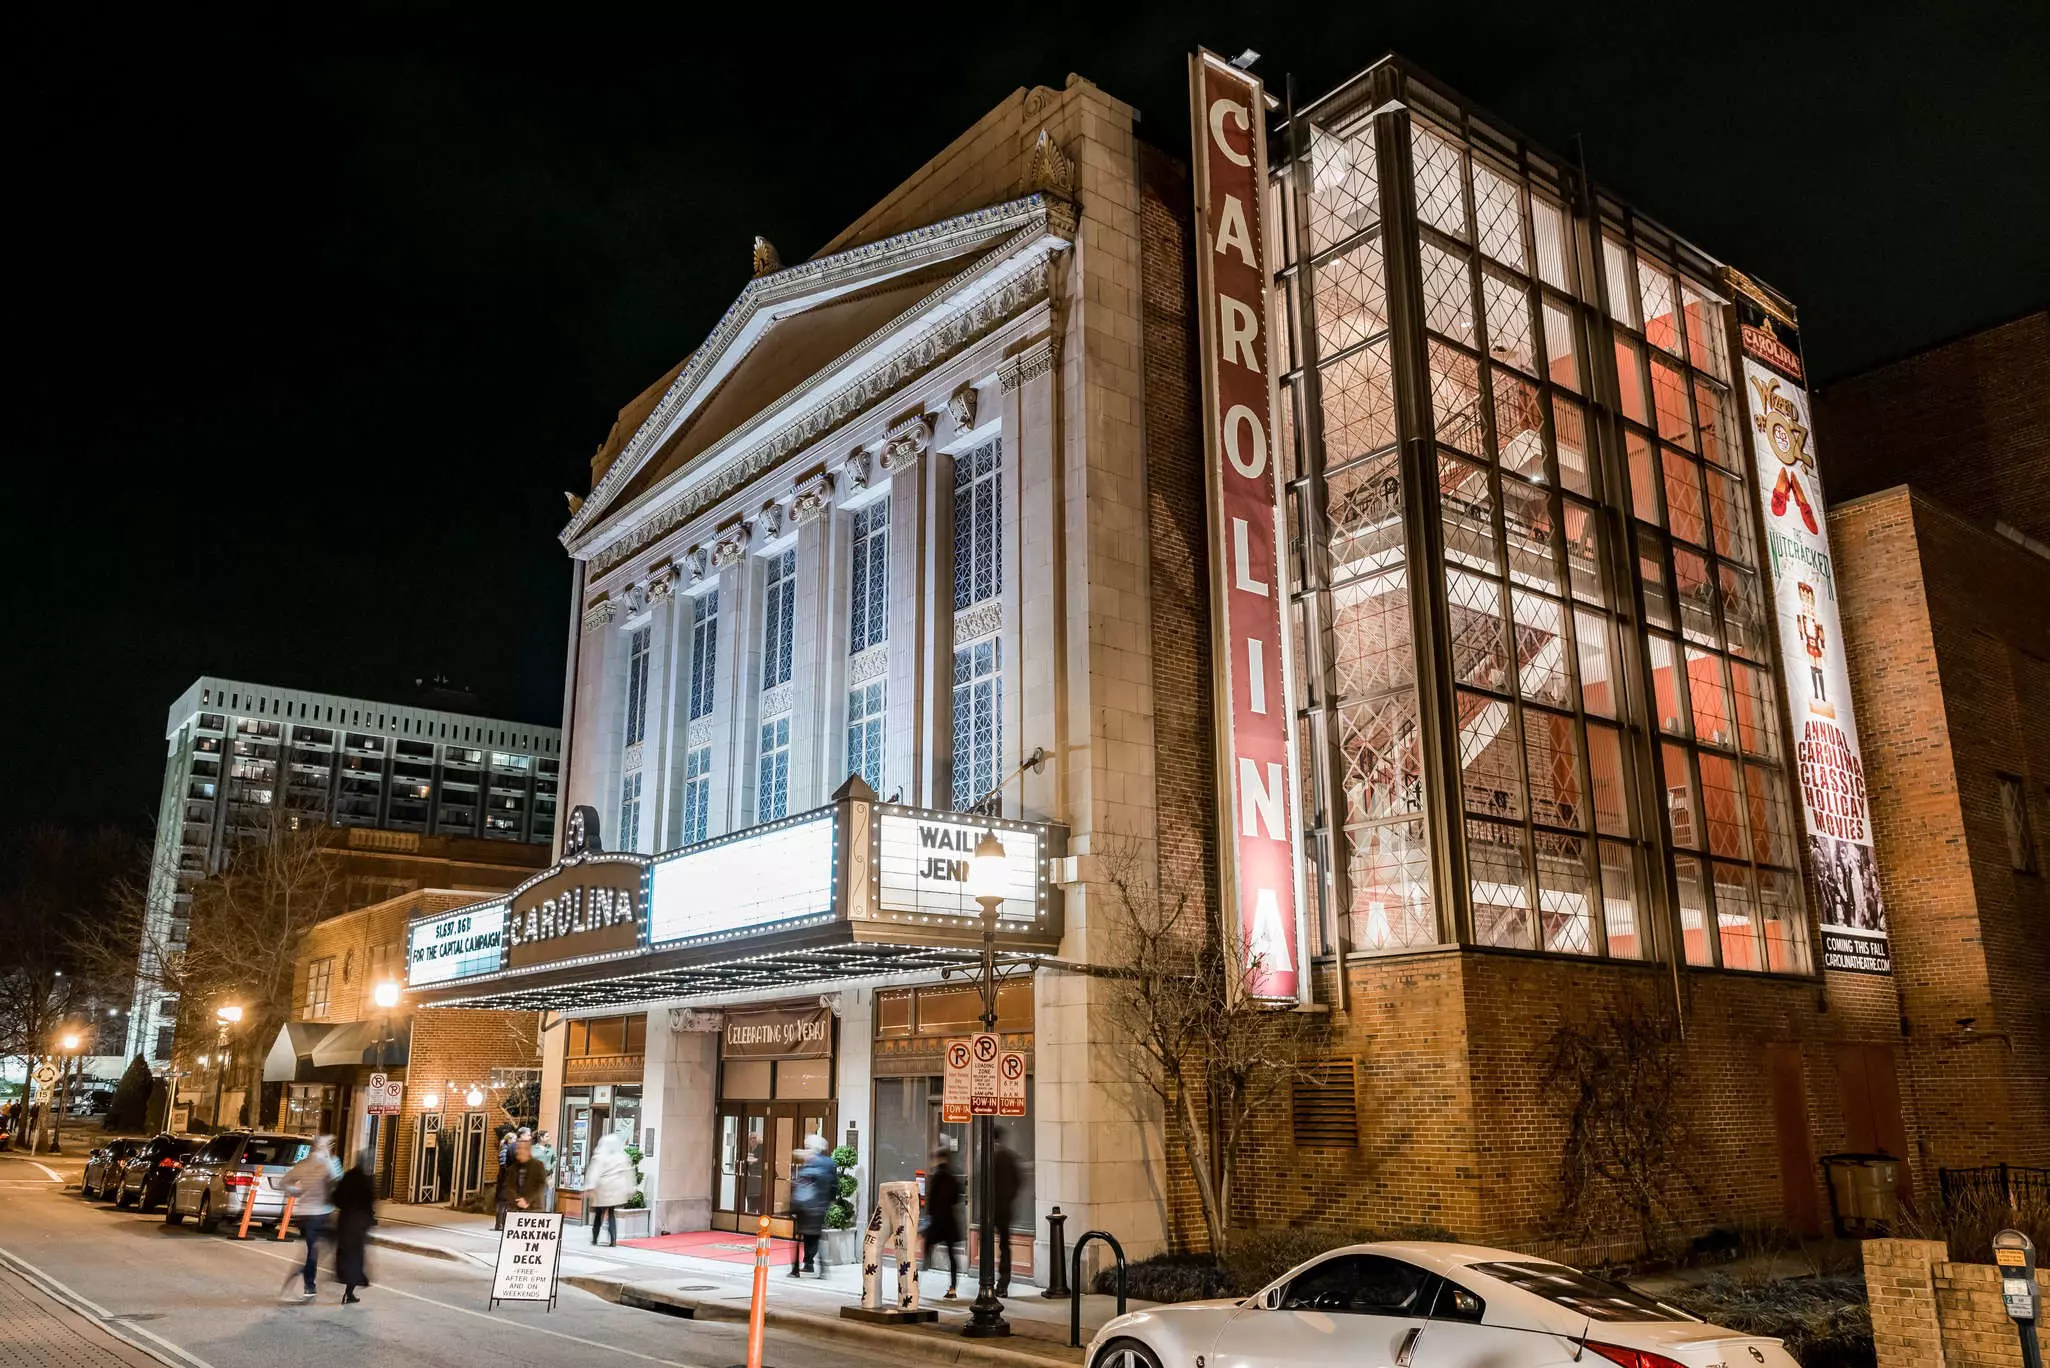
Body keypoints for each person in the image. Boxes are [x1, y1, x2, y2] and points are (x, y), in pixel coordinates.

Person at [281, 1136, 338, 1301]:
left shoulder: (303, 1165)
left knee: (315, 1249)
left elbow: (284, 1182)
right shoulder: (329, 1164)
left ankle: (309, 1280)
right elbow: (337, 1182)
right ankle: (308, 1283)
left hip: (306, 1214)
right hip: (320, 1214)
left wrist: (296, 1192)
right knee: (315, 1251)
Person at [333, 1148, 376, 1305]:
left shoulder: (349, 1176)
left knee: (347, 1255)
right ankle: (349, 1290)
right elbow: (369, 1202)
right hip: (358, 1223)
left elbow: (336, 1197)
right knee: (356, 1257)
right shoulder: (366, 1179)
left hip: (346, 1221)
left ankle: (348, 1286)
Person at [922, 1144, 964, 1299]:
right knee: (952, 1256)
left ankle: (922, 1270)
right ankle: (953, 1288)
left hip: (938, 1221)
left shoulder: (937, 1176)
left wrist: (928, 1218)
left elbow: (931, 1200)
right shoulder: (953, 1175)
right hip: (950, 1221)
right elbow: (956, 1198)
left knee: (928, 1245)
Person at [789, 1138, 835, 1277]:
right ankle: (817, 1266)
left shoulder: (811, 1164)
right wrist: (830, 1201)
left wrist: (794, 1206)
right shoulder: (829, 1163)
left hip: (807, 1206)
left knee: (800, 1237)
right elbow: (833, 1185)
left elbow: (800, 1186)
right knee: (815, 1236)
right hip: (820, 1206)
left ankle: (799, 1268)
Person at [581, 1132, 635, 1248]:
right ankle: (613, 1241)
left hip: (602, 1189)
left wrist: (590, 1187)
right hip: (616, 1189)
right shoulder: (622, 1156)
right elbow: (628, 1173)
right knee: (611, 1214)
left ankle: (595, 1239)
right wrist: (630, 1189)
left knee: (598, 1214)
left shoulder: (600, 1156)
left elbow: (594, 1173)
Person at [495, 1135, 550, 1232]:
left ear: (528, 1151)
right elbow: (508, 1187)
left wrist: (527, 1200)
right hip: (516, 1211)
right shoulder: (512, 1169)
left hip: (534, 1210)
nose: (518, 1151)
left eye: (521, 1149)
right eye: (518, 1149)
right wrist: (518, 1200)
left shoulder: (538, 1166)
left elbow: (541, 1185)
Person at [990, 1126, 1021, 1294]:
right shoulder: (1009, 1157)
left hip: (992, 1209)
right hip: (1004, 1209)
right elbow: (1018, 1181)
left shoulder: (989, 1157)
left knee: (991, 1246)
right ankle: (1003, 1284)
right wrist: (1009, 1199)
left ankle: (989, 1282)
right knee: (1004, 1246)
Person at [532, 1130, 557, 1212]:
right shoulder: (533, 1148)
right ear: (541, 1138)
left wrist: (551, 1167)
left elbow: (555, 1159)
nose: (549, 1138)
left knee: (546, 1195)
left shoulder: (550, 1148)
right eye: (547, 1136)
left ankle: (544, 1214)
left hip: (547, 1175)